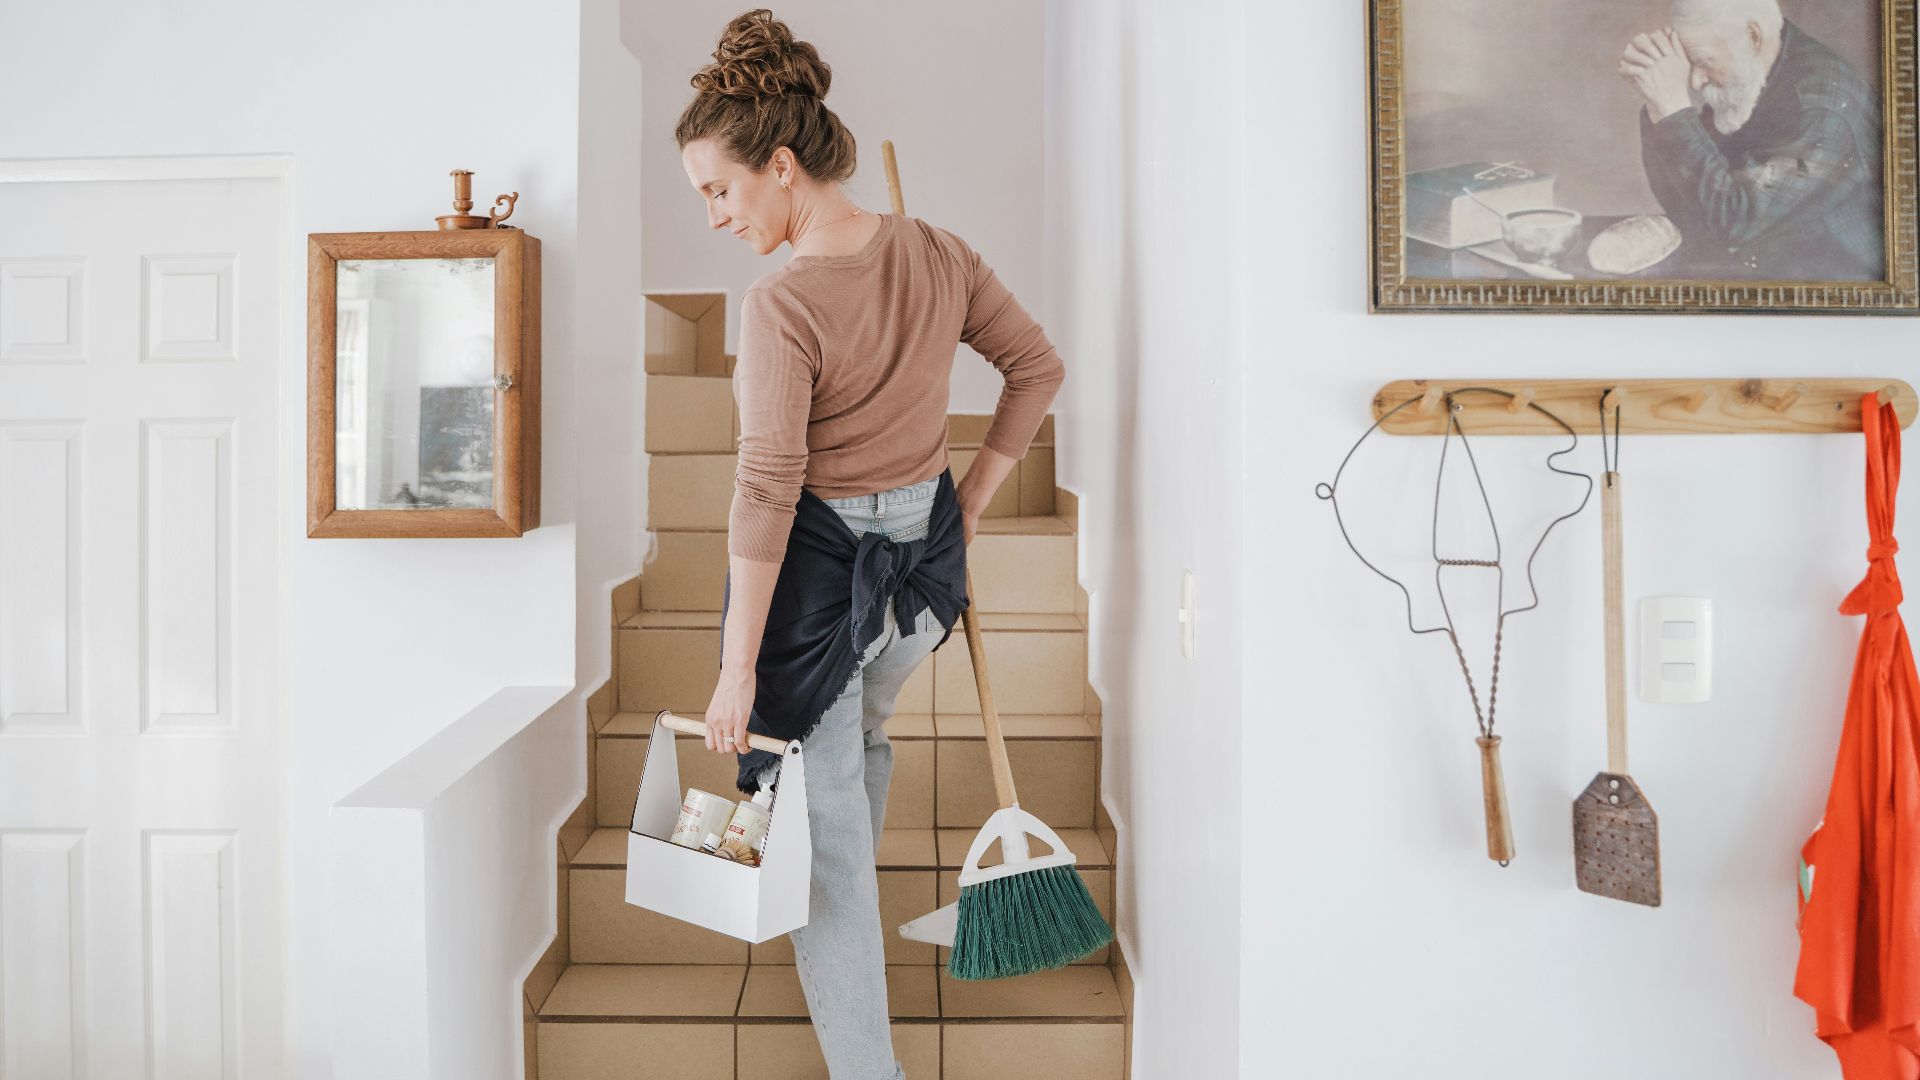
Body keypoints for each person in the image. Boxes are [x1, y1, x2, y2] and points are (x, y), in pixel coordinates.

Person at [674, 10, 1066, 1078]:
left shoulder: (783, 304)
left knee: (826, 846)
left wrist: (736, 668)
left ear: (784, 166)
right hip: (924, 577)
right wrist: (973, 497)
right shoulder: (937, 250)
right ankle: (850, 898)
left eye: (719, 190)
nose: (713, 217)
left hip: (821, 591)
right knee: (860, 752)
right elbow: (1037, 366)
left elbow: (767, 490)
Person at [1618, 0, 1882, 279]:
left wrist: (1673, 109)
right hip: (1765, 267)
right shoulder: (1748, 75)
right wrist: (1660, 107)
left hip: (1833, 287)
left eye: (1704, 61)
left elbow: (1735, 222)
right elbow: (1691, 207)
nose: (1695, 83)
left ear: (1753, 37)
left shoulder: (1822, 108)